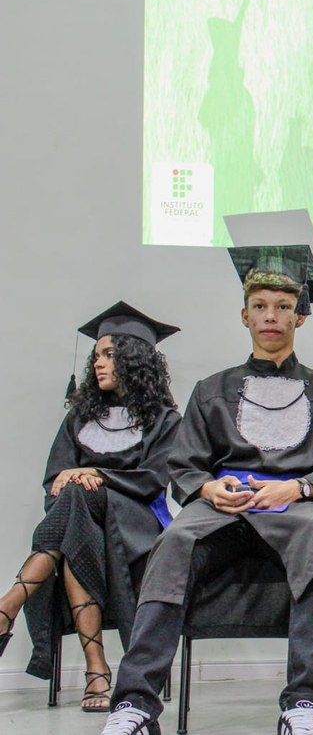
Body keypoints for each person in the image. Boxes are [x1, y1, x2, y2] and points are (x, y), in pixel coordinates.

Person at [100, 245, 313, 735]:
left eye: (283, 307)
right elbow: (185, 462)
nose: (271, 316)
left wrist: (297, 488)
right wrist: (207, 488)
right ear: (245, 315)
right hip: (222, 506)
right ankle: (134, 705)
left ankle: (304, 703)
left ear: (299, 318)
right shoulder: (211, 389)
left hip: (294, 507)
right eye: (260, 306)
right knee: (174, 542)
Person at [0, 303, 180, 712]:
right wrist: (79, 481)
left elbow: (154, 479)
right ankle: (95, 670)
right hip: (86, 524)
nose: (97, 363)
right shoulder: (81, 418)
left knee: (79, 497)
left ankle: (10, 605)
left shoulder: (165, 420)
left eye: (108, 354)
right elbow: (56, 480)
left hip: (136, 523)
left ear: (133, 359)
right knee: (77, 513)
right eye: (96, 356)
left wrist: (97, 474)